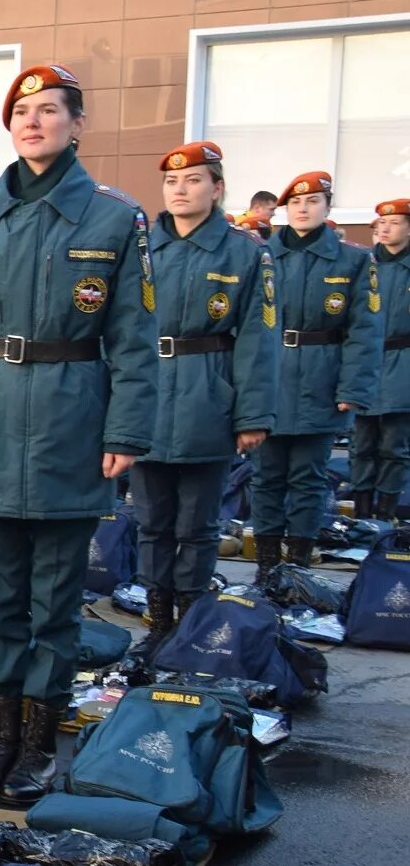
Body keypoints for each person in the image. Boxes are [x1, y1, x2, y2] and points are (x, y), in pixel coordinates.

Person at [0, 64, 156, 805]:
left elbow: (135, 336)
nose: (34, 121)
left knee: (54, 602)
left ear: (77, 125)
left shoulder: (114, 219)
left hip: (70, 415)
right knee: (1, 597)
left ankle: (37, 748)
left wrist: (127, 430)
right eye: (22, 110)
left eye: (50, 110)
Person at [134, 142, 280, 635]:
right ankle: (158, 623)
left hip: (206, 395)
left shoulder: (244, 252)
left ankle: (191, 623)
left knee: (197, 526)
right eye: (172, 181)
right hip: (147, 393)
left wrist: (253, 415)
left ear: (217, 189)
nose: (180, 189)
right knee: (151, 522)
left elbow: (259, 340)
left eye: (194, 180)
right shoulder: (140, 247)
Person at [253, 170, 381, 568]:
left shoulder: (355, 260)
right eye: (295, 203)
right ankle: (268, 566)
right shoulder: (261, 254)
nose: (303, 209)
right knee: (266, 478)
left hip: (321, 380)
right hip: (269, 377)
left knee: (308, 479)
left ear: (328, 207)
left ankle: (298, 563)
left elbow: (365, 329)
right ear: (283, 210)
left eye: (312, 202)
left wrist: (352, 389)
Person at [349, 197, 410, 523]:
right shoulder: (364, 263)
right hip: (367, 360)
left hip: (403, 362)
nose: (386, 228)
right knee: (361, 443)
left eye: (395, 222)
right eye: (381, 224)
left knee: (395, 446)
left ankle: (385, 515)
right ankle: (360, 514)